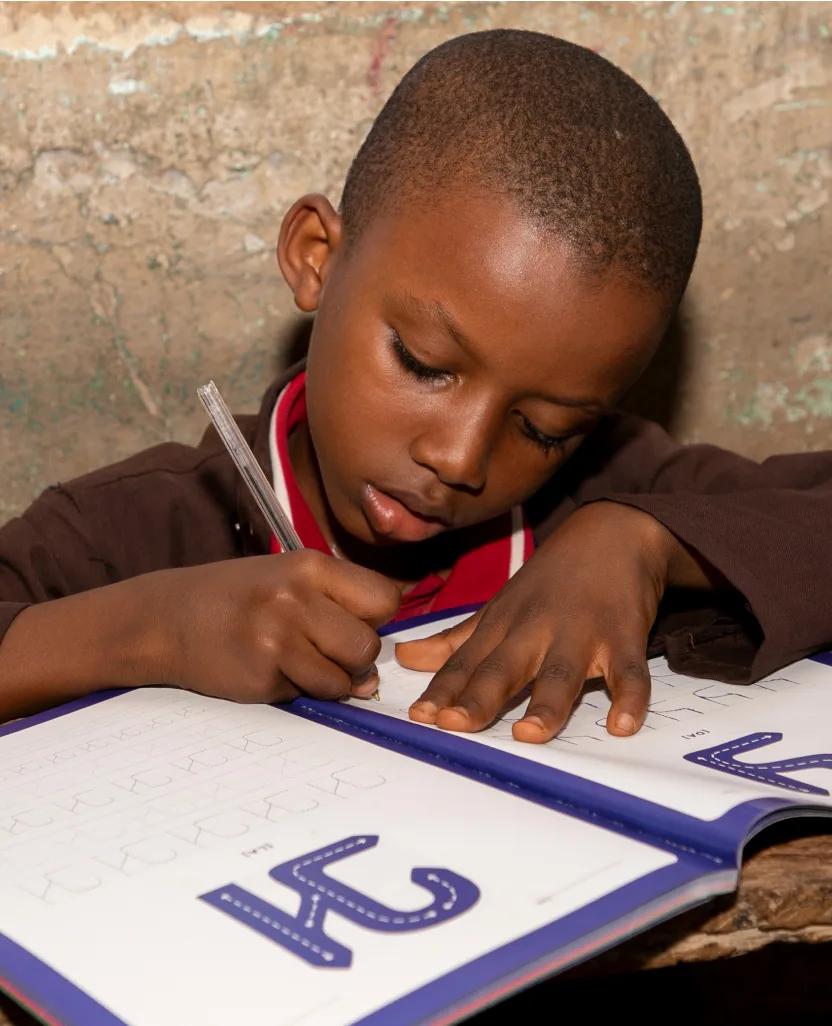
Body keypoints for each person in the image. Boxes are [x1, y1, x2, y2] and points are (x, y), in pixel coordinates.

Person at [1, 30, 830, 744]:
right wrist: (150, 632)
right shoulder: (139, 528)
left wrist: (646, 545)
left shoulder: (607, 496)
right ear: (316, 257)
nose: (460, 455)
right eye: (425, 364)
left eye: (543, 429)